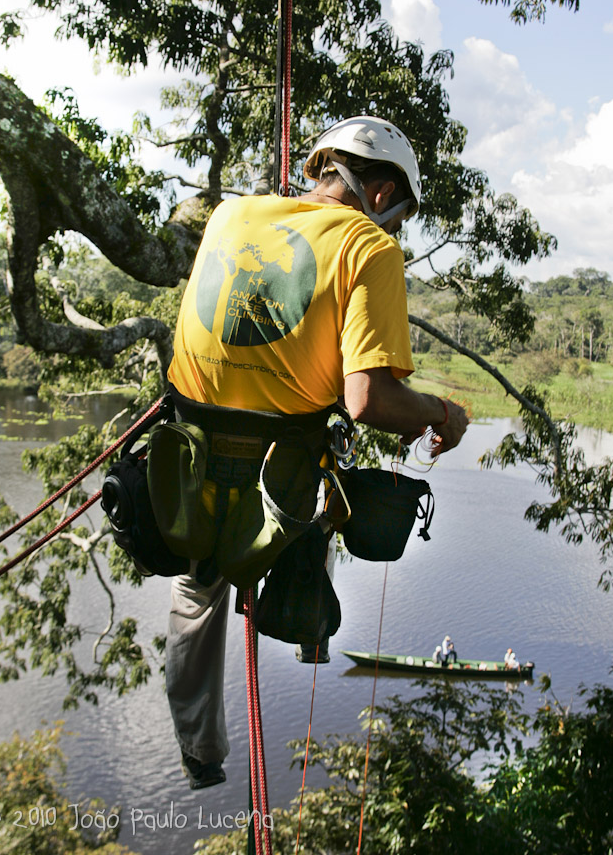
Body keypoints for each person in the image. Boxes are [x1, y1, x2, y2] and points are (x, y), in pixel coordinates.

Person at [164, 115, 469, 789]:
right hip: (278, 489)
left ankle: (198, 751)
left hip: (179, 474)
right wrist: (442, 413)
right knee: (323, 502)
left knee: (199, 588)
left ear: (325, 168)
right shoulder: (369, 246)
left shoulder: (231, 215)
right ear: (382, 193)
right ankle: (304, 619)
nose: (391, 232)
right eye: (397, 217)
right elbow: (367, 402)